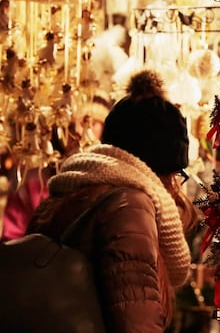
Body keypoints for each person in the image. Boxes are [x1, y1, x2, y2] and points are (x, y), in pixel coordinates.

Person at [26, 69, 200, 331]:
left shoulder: (74, 190)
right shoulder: (130, 208)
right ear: (160, 169)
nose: (177, 186)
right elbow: (135, 320)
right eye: (176, 174)